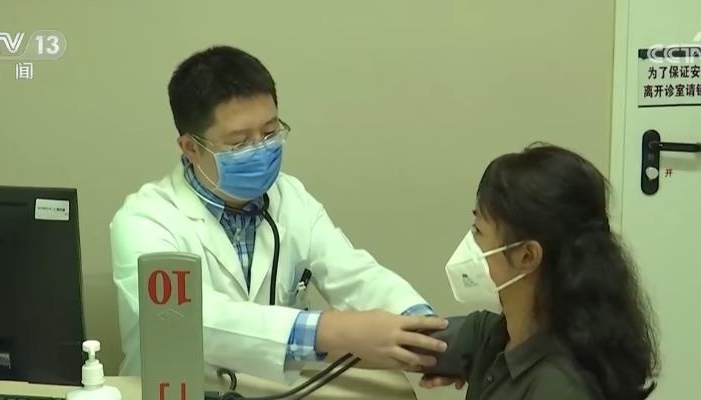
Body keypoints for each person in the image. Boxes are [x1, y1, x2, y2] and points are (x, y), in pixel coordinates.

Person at [110, 45, 448, 382]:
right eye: (239, 142)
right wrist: (329, 332)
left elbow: (354, 273)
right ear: (191, 147)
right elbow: (192, 320)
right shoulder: (145, 221)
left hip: (273, 389)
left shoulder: (291, 198)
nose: (261, 149)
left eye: (270, 133)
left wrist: (426, 333)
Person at [420, 144, 660, 399]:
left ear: (527, 256)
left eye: (478, 230)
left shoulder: (557, 388)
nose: (470, 243)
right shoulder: (498, 335)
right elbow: (411, 339)